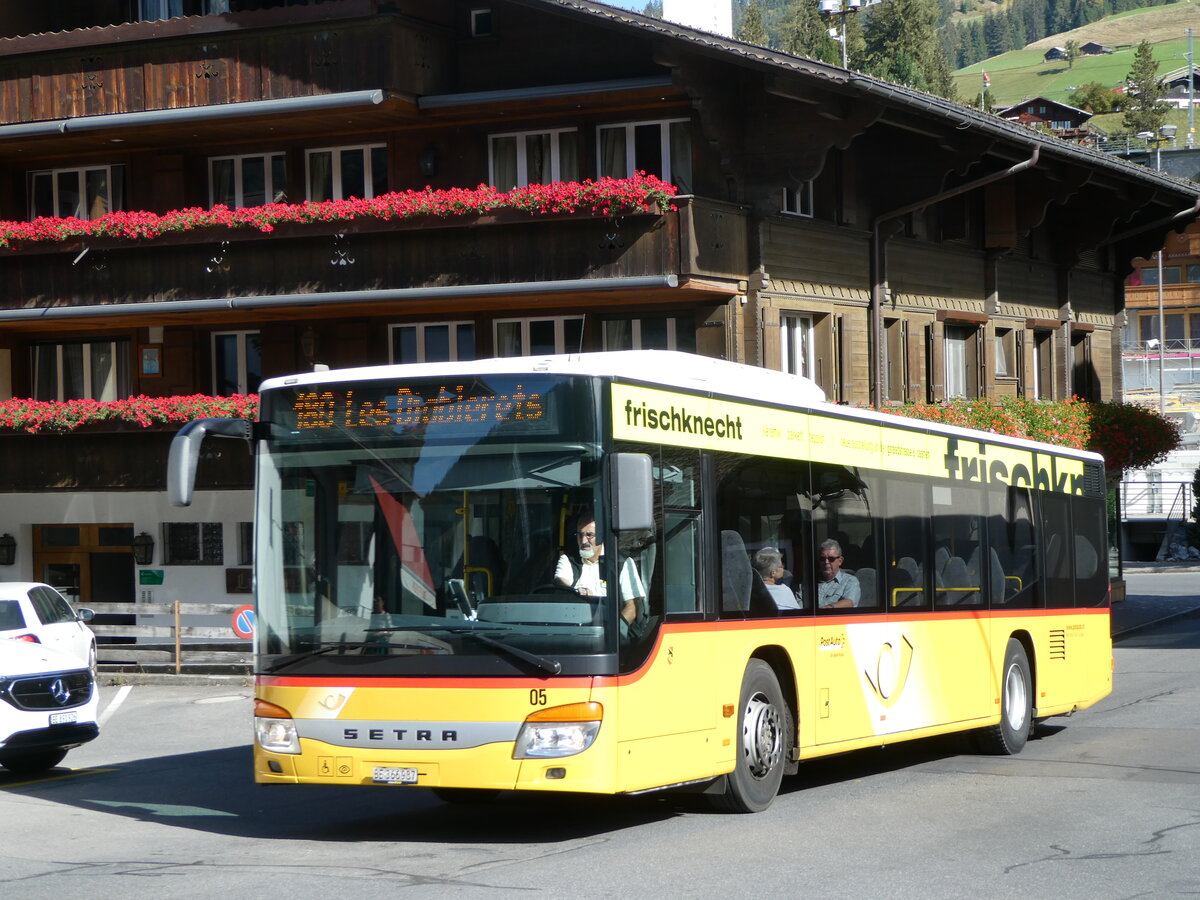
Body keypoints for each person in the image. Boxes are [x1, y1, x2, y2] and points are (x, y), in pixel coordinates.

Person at [554, 511, 646, 629]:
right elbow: (561, 583)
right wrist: (575, 593)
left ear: (602, 537)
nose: (583, 541)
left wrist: (614, 630)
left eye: (589, 535)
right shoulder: (568, 559)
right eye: (580, 535)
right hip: (577, 629)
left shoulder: (622, 563)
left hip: (611, 633)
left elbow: (632, 607)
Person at [809, 538, 859, 609]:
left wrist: (828, 608)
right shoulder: (808, 583)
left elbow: (849, 602)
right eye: (822, 559)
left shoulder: (850, 581)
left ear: (840, 561)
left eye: (831, 559)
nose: (826, 562)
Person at [753, 547, 801, 611]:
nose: (783, 567)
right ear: (773, 573)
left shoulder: (751, 592)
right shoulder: (784, 591)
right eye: (781, 566)